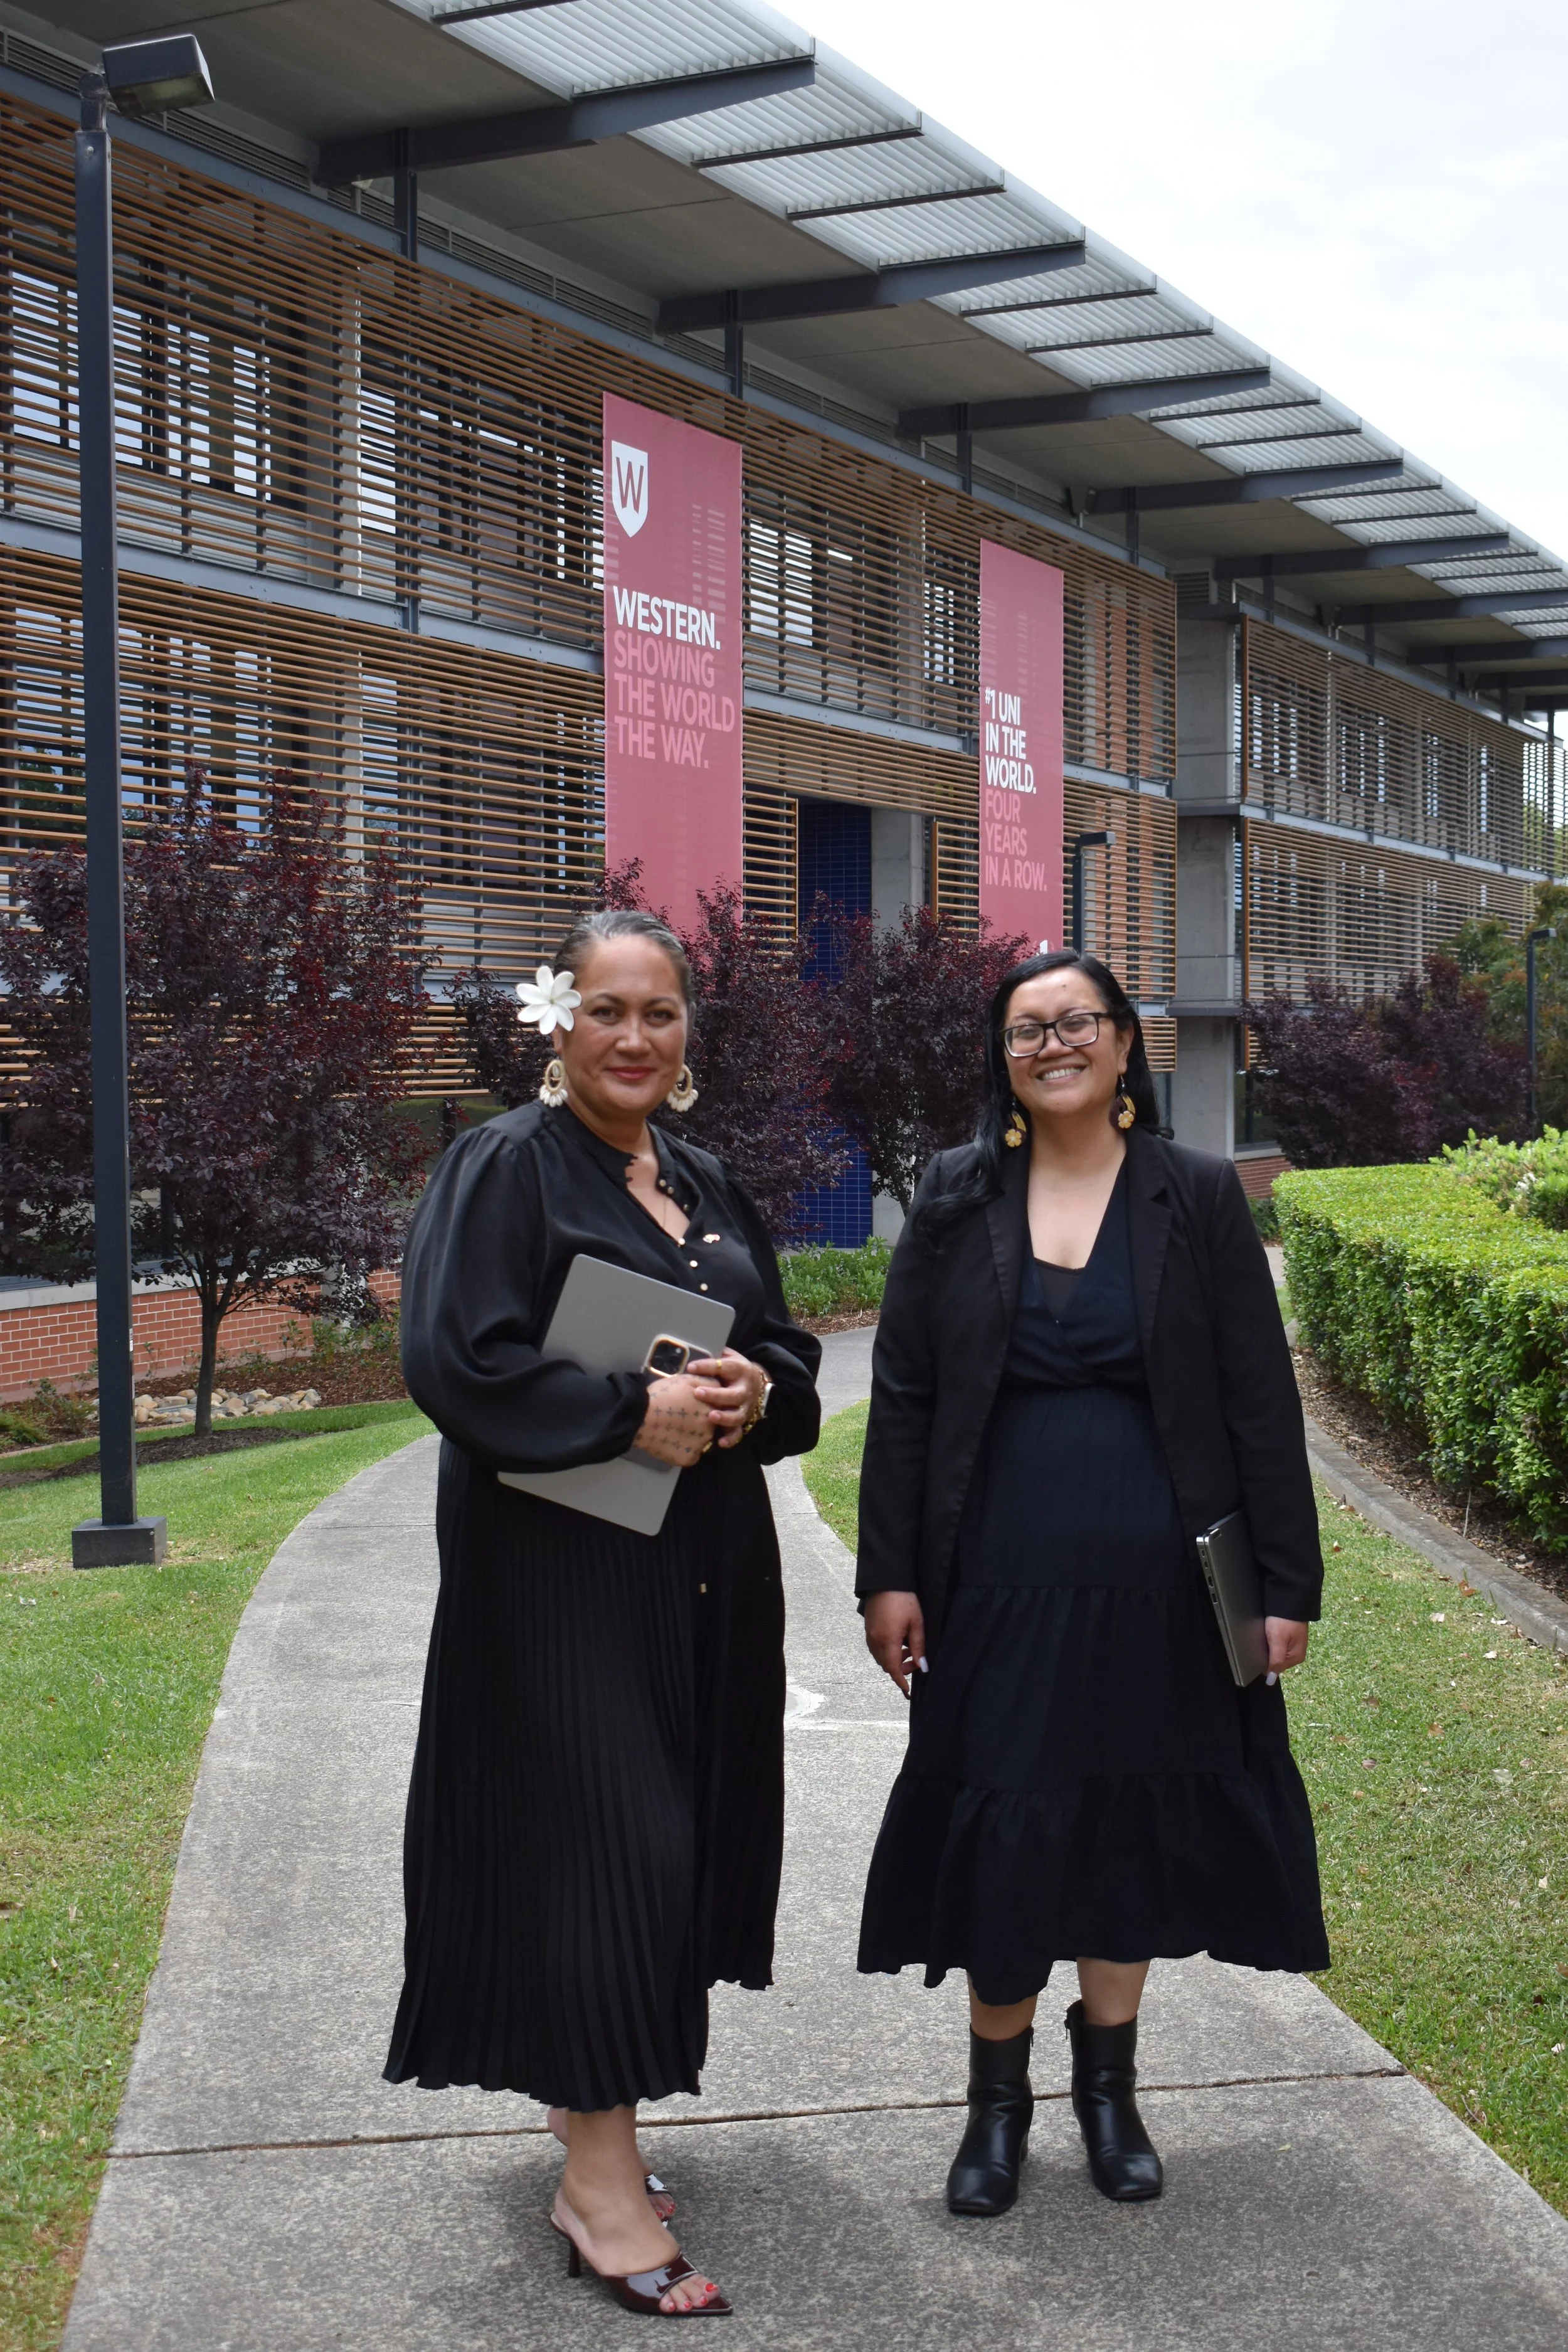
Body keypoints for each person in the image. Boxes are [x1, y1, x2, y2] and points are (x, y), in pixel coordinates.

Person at [385, 908, 821, 2316]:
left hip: (701, 1578)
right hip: (560, 1584)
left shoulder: (700, 1177)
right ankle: (597, 2187)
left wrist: (757, 1391)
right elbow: (457, 1362)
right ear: (555, 1022)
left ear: (686, 1031)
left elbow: (787, 1351)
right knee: (610, 1850)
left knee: (675, 1840)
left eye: (659, 1011)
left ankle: (598, 2126)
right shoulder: (501, 1168)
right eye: (605, 1009)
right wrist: (626, 1410)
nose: (633, 1036)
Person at [855, 948, 1328, 2218]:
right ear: (1000, 1061)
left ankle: (1107, 2095)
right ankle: (992, 2112)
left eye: (1075, 1022)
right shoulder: (956, 1197)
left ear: (1124, 1045)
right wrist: (885, 1575)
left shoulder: (1193, 1195)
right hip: (996, 1580)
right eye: (1024, 1029)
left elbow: (1255, 1400)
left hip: (1165, 1584)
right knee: (1008, 1825)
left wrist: (1283, 1585)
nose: (1050, 1043)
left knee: (1123, 1827)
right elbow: (900, 1399)